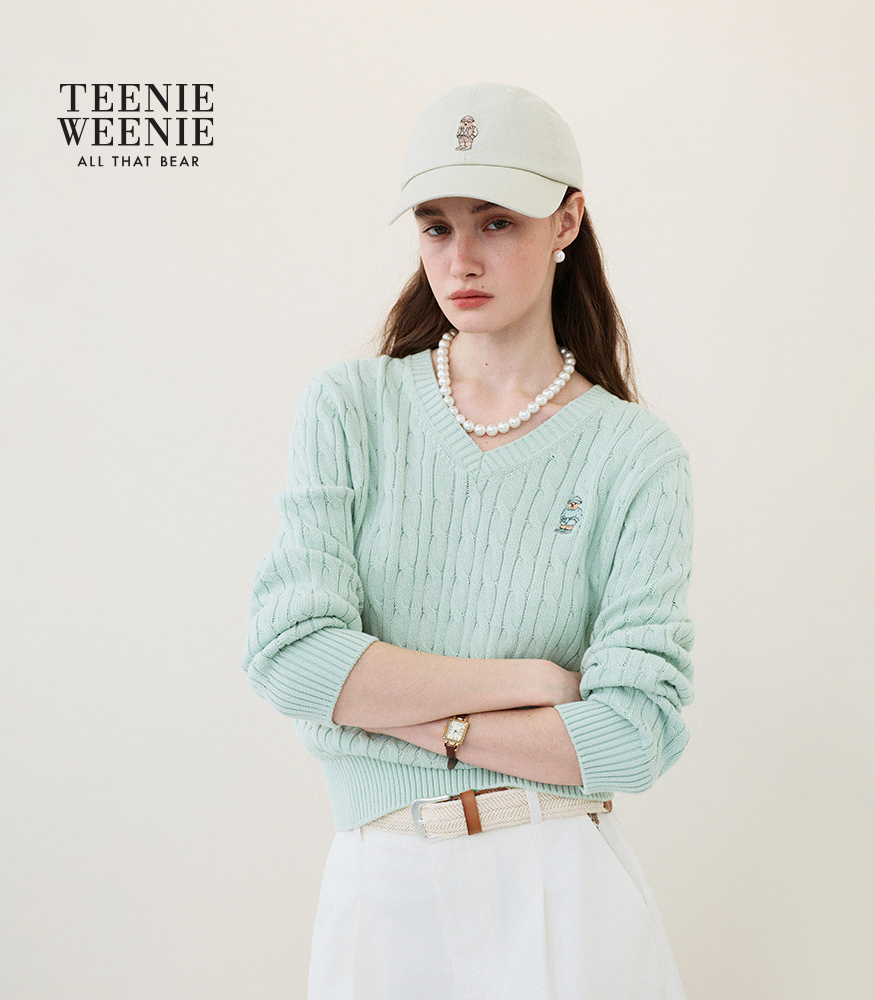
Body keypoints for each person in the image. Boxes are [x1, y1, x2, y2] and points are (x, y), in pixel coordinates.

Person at [241, 82, 696, 999]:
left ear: (567, 221)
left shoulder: (634, 454)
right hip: (381, 889)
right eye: (436, 226)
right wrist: (526, 684)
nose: (462, 259)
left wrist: (381, 709)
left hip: (560, 887)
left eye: (496, 222)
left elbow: (634, 735)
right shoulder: (352, 409)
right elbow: (290, 661)